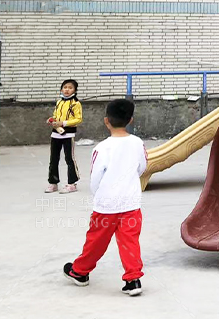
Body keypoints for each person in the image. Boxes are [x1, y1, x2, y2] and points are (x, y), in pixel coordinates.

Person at [63, 99, 147, 296]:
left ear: (106, 120)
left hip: (106, 206)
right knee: (130, 242)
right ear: (131, 120)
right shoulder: (138, 143)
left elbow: (95, 178)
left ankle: (80, 272)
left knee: (96, 241)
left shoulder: (101, 148)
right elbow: (142, 167)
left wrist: (98, 196)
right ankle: (133, 279)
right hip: (131, 203)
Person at [46, 79, 83, 193]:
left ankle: (72, 183)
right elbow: (55, 115)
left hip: (68, 134)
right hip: (55, 133)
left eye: (70, 88)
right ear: (61, 89)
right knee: (53, 159)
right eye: (65, 87)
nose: (67, 90)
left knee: (69, 159)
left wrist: (63, 123)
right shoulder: (59, 102)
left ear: (75, 90)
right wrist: (52, 120)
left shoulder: (75, 103)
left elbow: (78, 119)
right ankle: (53, 183)